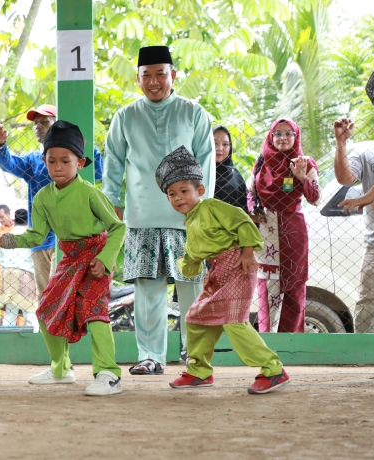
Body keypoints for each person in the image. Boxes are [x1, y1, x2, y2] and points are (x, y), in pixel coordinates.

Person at [0, 120, 126, 396]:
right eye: (51, 160)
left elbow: (118, 227)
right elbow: (35, 237)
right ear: (44, 160)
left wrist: (105, 259)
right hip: (68, 257)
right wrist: (1, 239)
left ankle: (108, 373)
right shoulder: (43, 197)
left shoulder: (92, 194)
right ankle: (61, 369)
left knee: (94, 311)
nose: (57, 167)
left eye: (65, 161)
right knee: (45, 309)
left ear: (80, 163)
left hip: (96, 258)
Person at [103, 45, 215, 373]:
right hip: (141, 218)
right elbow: (113, 163)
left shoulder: (193, 112)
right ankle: (149, 357)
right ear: (138, 79)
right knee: (148, 291)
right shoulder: (126, 116)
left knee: (192, 289)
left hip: (185, 218)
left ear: (173, 75)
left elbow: (206, 160)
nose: (154, 81)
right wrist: (114, 204)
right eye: (146, 75)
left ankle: (196, 357)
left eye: (160, 74)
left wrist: (202, 208)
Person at [156, 146, 290, 394]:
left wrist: (248, 252)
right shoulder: (192, 220)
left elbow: (242, 220)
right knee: (195, 318)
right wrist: (187, 265)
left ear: (201, 190)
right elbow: (193, 257)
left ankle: (273, 370)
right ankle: (199, 371)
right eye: (172, 194)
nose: (178, 198)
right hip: (217, 272)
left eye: (184, 191)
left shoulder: (212, 208)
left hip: (238, 265)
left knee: (234, 320)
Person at [0, 105, 104, 301]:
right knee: (46, 298)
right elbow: (10, 164)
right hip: (40, 241)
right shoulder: (34, 160)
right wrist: (0, 145)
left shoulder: (76, 157)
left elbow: (98, 171)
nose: (37, 127)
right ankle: (49, 332)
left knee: (63, 296)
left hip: (67, 240)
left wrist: (81, 142)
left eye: (44, 122)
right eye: (35, 124)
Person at [248, 119, 321, 333]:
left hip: (292, 230)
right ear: (271, 137)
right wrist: (253, 210)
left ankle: (292, 343)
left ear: (296, 136)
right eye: (278, 133)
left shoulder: (305, 163)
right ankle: (268, 341)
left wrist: (301, 177)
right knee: (266, 287)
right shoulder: (262, 161)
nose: (283, 138)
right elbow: (250, 192)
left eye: (288, 133)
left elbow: (316, 198)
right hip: (266, 230)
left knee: (294, 288)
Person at [333, 67, 374, 332]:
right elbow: (346, 179)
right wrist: (341, 144)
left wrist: (372, 197)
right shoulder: (366, 153)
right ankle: (364, 356)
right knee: (369, 304)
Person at [0, 209, 38, 329]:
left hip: (8, 273)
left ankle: (5, 341)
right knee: (30, 310)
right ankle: (34, 337)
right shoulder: (31, 236)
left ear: (14, 220)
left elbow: (1, 260)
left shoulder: (5, 236)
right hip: (26, 273)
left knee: (10, 313)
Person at [213, 126, 249, 213]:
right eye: (215, 143)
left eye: (225, 144)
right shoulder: (198, 174)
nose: (220, 148)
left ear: (230, 147)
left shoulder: (236, 176)